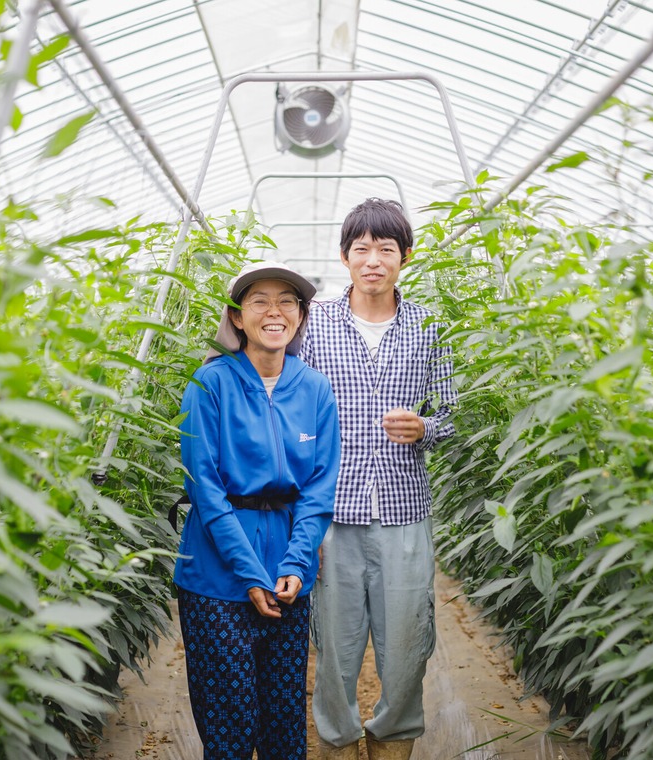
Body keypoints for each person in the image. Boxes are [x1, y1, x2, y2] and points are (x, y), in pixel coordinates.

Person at [301, 198, 457, 760]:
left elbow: (455, 413)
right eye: (361, 248)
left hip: (402, 511)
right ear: (345, 257)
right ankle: (337, 741)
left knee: (407, 644)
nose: (373, 260)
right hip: (331, 512)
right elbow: (289, 407)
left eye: (385, 249)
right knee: (335, 647)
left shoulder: (428, 327)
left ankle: (392, 736)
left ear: (404, 258)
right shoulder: (314, 324)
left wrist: (426, 427)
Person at [173, 260, 340, 760]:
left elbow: (318, 489)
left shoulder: (314, 388)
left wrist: (294, 564)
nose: (275, 311)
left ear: (301, 316)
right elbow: (205, 489)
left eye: (287, 300)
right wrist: (250, 573)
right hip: (217, 581)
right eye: (259, 300)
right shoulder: (210, 385)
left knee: (284, 724)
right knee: (229, 725)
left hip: (289, 578)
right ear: (237, 317)